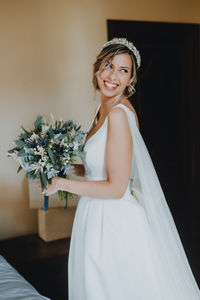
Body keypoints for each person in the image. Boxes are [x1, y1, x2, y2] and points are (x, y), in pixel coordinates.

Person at [40, 38, 200, 300]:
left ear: (131, 80)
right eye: (108, 66)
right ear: (97, 69)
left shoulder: (118, 115)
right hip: (93, 214)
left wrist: (60, 185)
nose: (113, 76)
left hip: (113, 223)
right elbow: (99, 168)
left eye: (123, 71)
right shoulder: (102, 110)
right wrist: (66, 168)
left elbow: (116, 187)